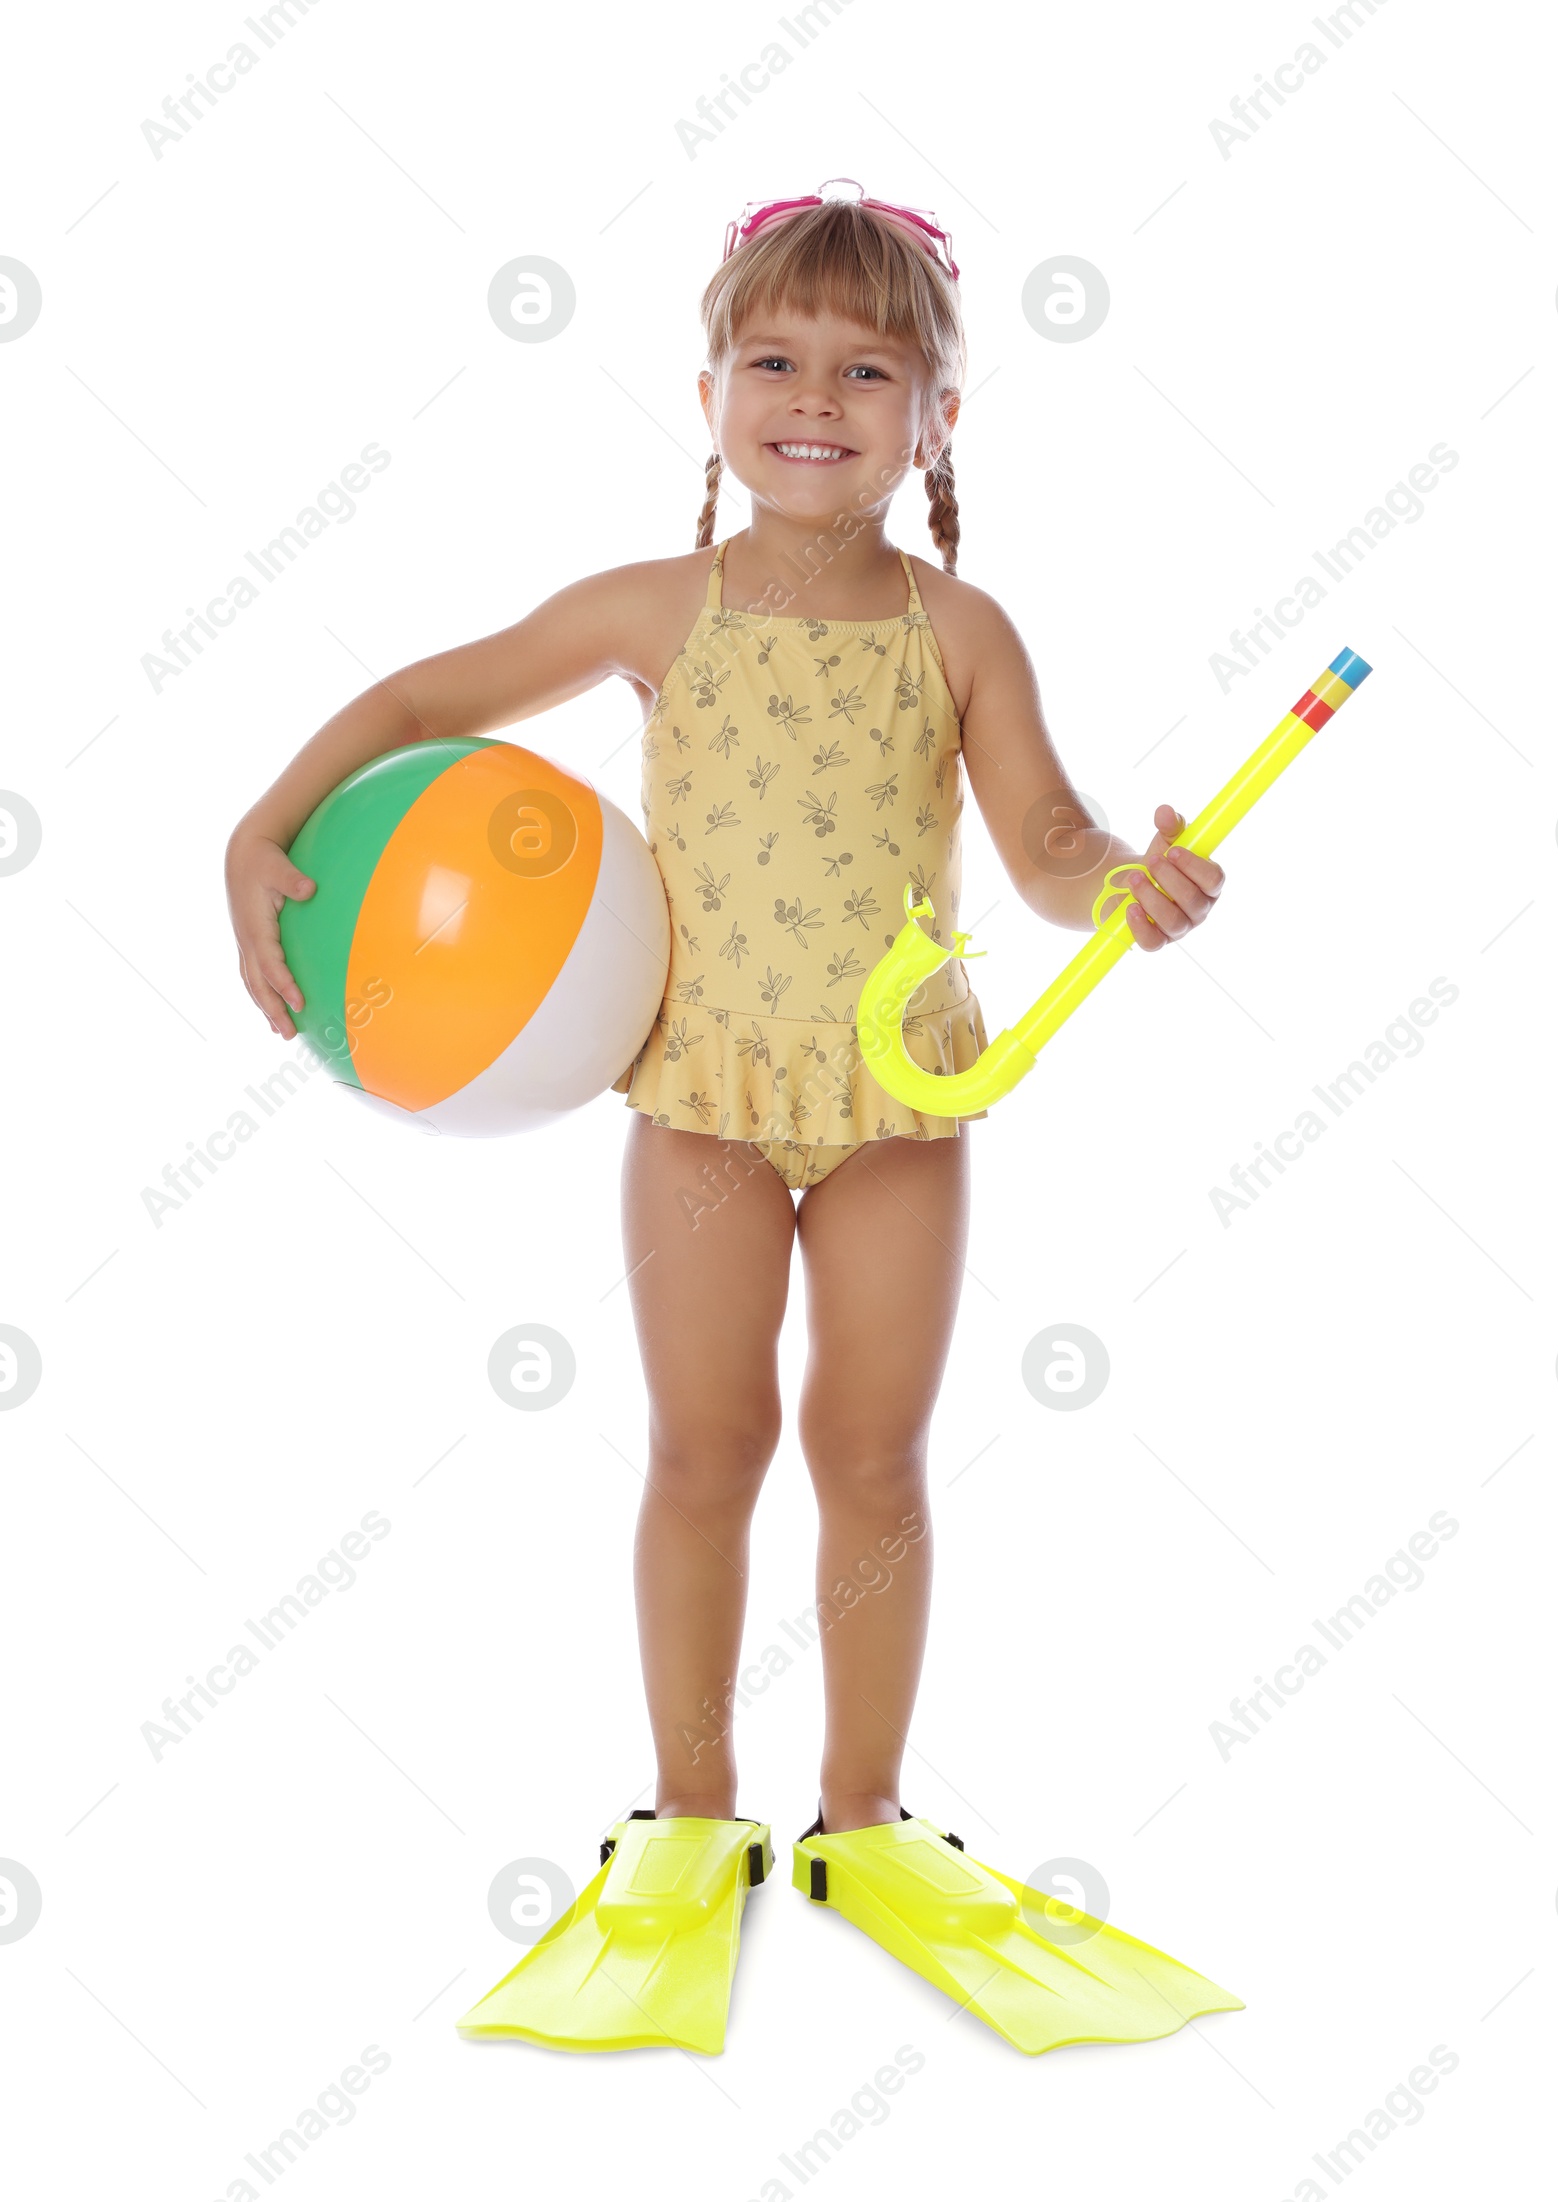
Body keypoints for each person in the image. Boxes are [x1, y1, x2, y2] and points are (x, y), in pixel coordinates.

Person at [226, 180, 1231, 2054]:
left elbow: (1045, 841)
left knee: (873, 1452)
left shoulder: (963, 630)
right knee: (706, 1447)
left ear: (940, 415)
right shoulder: (653, 607)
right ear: (707, 388)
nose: (816, 396)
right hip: (695, 1096)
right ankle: (693, 1816)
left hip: (898, 1100)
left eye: (870, 367)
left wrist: (1124, 888)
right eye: (774, 357)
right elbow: (421, 692)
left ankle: (862, 1820)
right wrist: (260, 826)